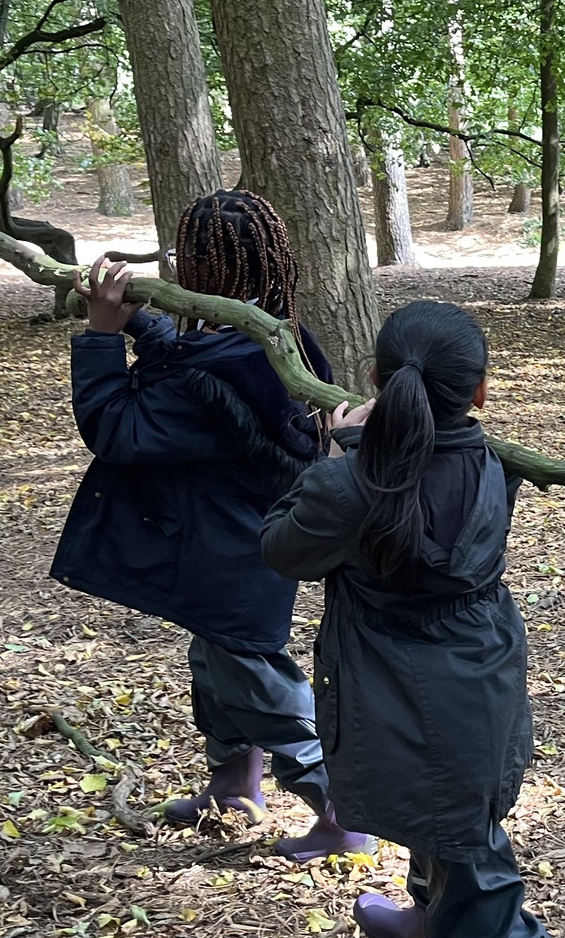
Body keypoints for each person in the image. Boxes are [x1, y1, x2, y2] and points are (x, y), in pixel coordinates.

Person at [260, 301, 565, 938]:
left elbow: (281, 548)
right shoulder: (494, 463)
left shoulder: (351, 483)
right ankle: (427, 925)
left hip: (402, 687)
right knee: (449, 816)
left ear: (374, 381)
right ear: (482, 393)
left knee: (468, 846)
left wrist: (337, 450)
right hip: (481, 673)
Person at [51, 189, 368, 862]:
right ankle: (233, 788)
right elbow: (194, 365)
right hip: (237, 545)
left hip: (226, 557)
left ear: (196, 269)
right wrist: (141, 324)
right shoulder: (282, 343)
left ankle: (343, 812)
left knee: (261, 683)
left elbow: (116, 429)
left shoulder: (219, 370)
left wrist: (102, 336)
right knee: (216, 667)